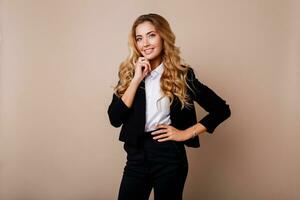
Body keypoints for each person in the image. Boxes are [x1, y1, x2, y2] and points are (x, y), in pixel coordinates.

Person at [107, 13, 231, 200]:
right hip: (136, 157)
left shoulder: (182, 75)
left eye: (151, 35)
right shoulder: (129, 73)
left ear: (163, 36)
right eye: (139, 38)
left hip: (169, 157)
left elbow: (221, 109)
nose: (145, 43)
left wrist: (186, 133)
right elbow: (115, 119)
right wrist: (136, 79)